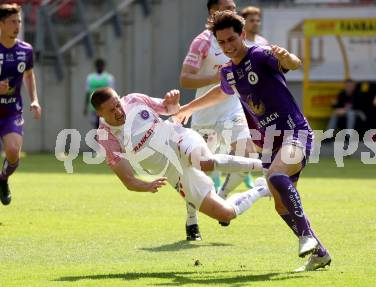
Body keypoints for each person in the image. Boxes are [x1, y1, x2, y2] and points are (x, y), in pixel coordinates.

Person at [176, 11, 331, 272]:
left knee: (275, 177)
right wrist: (188, 108)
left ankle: (308, 238)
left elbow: (292, 63)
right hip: (269, 143)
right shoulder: (228, 71)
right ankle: (320, 254)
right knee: (280, 205)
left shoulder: (260, 55)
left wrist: (288, 58)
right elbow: (220, 92)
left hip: (295, 132)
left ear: (243, 35)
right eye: (222, 42)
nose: (227, 46)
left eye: (231, 39)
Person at [92, 87, 269, 232]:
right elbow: (128, 180)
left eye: (117, 104)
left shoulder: (133, 100)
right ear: (101, 114)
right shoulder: (105, 136)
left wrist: (173, 103)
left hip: (177, 138)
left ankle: (267, 165)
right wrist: (147, 186)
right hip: (172, 171)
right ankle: (262, 189)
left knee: (204, 162)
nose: (119, 111)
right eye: (111, 110)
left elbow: (170, 110)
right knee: (225, 213)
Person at [180, 0, 255, 240]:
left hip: (232, 110)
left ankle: (221, 199)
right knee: (194, 172)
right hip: (205, 115)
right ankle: (192, 220)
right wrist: (216, 77)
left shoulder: (238, 39)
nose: (233, 10)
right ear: (212, 11)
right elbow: (185, 78)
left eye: (234, 6)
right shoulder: (202, 41)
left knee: (247, 154)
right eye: (226, 6)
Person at [0, 3, 41, 205]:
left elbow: (29, 75)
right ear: (1, 24)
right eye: (12, 22)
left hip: (11, 111)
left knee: (14, 152)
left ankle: (3, 178)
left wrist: (34, 99)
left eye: (19, 21)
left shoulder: (26, 50)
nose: (17, 26)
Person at [84, 58, 115, 129]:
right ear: (96, 66)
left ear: (103, 66)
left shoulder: (109, 78)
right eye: (98, 65)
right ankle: (98, 139)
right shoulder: (90, 78)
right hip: (94, 106)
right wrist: (85, 107)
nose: (100, 67)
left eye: (101, 65)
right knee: (96, 124)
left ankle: (102, 139)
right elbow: (87, 92)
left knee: (103, 124)